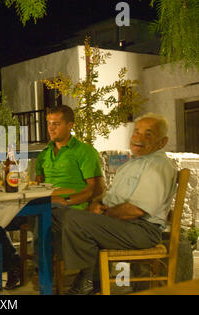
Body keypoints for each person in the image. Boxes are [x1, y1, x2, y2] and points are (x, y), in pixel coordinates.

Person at [55, 113, 177, 295]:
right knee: (54, 212)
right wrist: (96, 204)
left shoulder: (158, 165)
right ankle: (86, 276)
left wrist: (101, 214)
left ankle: (88, 279)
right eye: (136, 132)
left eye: (148, 134)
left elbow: (136, 210)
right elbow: (110, 197)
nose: (138, 138)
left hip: (142, 230)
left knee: (74, 219)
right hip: (121, 223)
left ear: (162, 142)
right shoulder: (133, 163)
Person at [32, 105, 104, 279]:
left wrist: (68, 201)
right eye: (49, 123)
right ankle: (14, 264)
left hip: (73, 208)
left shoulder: (84, 151)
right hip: (47, 206)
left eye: (56, 123)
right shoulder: (44, 154)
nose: (50, 128)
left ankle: (45, 271)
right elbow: (38, 185)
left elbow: (95, 188)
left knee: (45, 217)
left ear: (70, 125)